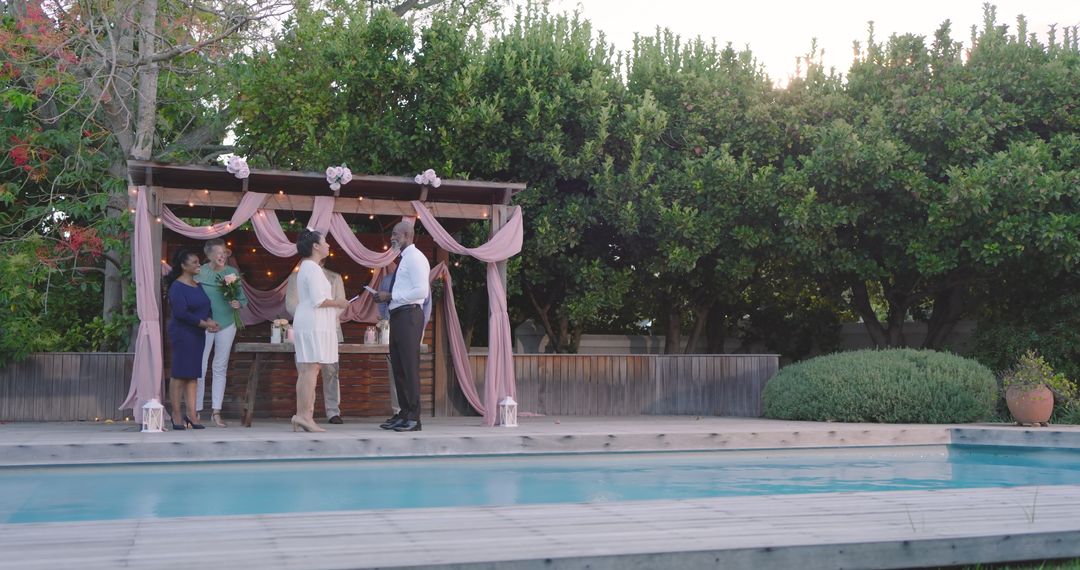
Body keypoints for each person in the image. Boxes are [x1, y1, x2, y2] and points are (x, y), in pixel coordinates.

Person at [292, 229, 350, 432]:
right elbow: (319, 300)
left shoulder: (307, 267)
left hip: (310, 321)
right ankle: (304, 416)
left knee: (308, 370)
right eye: (324, 242)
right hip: (312, 323)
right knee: (310, 370)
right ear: (315, 246)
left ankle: (302, 416)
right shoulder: (312, 269)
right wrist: (340, 302)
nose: (328, 245)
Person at [374, 221, 430, 432]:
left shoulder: (415, 258)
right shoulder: (404, 259)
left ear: (407, 235)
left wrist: (391, 295)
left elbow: (421, 292)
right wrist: (386, 299)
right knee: (398, 368)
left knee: (409, 368)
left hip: (409, 317)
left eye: (395, 234)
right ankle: (404, 412)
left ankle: (414, 418)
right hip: (398, 315)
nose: (392, 238)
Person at [194, 238, 248, 427]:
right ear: (208, 254)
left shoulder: (231, 273)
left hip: (227, 322)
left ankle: (216, 412)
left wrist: (238, 303)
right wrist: (203, 321)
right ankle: (196, 411)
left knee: (220, 366)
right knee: (200, 367)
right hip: (206, 324)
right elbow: (192, 299)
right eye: (218, 252)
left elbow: (242, 298)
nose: (222, 255)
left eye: (224, 252)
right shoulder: (199, 272)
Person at [164, 248, 220, 430]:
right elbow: (181, 313)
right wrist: (203, 324)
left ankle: (192, 414)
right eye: (195, 262)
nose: (199, 265)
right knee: (180, 374)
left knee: (193, 375)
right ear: (183, 266)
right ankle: (176, 414)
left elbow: (206, 307)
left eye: (199, 262)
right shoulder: (177, 287)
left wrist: (210, 320)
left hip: (197, 334)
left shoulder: (199, 285)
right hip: (182, 333)